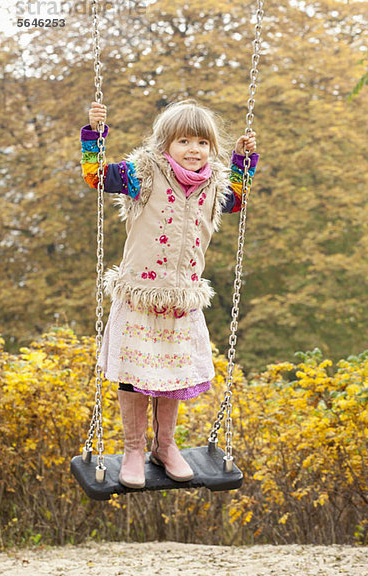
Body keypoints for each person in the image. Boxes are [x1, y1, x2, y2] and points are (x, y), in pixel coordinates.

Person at [80, 99, 259, 489]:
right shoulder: (142, 174)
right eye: (183, 141)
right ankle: (132, 449)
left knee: (172, 378)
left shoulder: (215, 184)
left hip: (182, 300)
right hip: (141, 296)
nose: (193, 150)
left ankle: (165, 446)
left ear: (212, 148)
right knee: (135, 377)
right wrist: (94, 135)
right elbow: (95, 177)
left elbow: (239, 201)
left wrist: (246, 161)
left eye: (201, 142)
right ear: (165, 145)